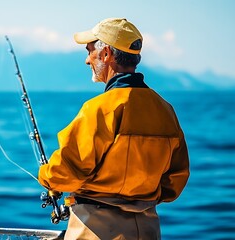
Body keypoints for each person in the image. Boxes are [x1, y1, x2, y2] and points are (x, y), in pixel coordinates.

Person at [38, 18, 190, 239]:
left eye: (89, 51)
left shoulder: (98, 110)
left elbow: (66, 173)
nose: (87, 60)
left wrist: (46, 176)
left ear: (106, 54)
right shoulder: (165, 110)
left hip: (95, 231)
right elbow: (174, 183)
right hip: (146, 231)